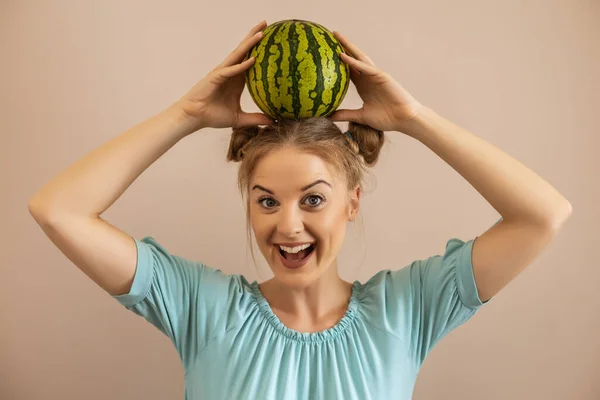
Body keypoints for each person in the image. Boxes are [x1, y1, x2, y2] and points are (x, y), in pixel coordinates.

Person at [28, 20, 572, 399]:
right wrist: (187, 114)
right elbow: (58, 210)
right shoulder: (203, 309)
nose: (287, 225)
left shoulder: (408, 310)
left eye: (313, 199)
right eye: (267, 201)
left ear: (352, 203)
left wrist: (413, 117)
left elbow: (543, 215)